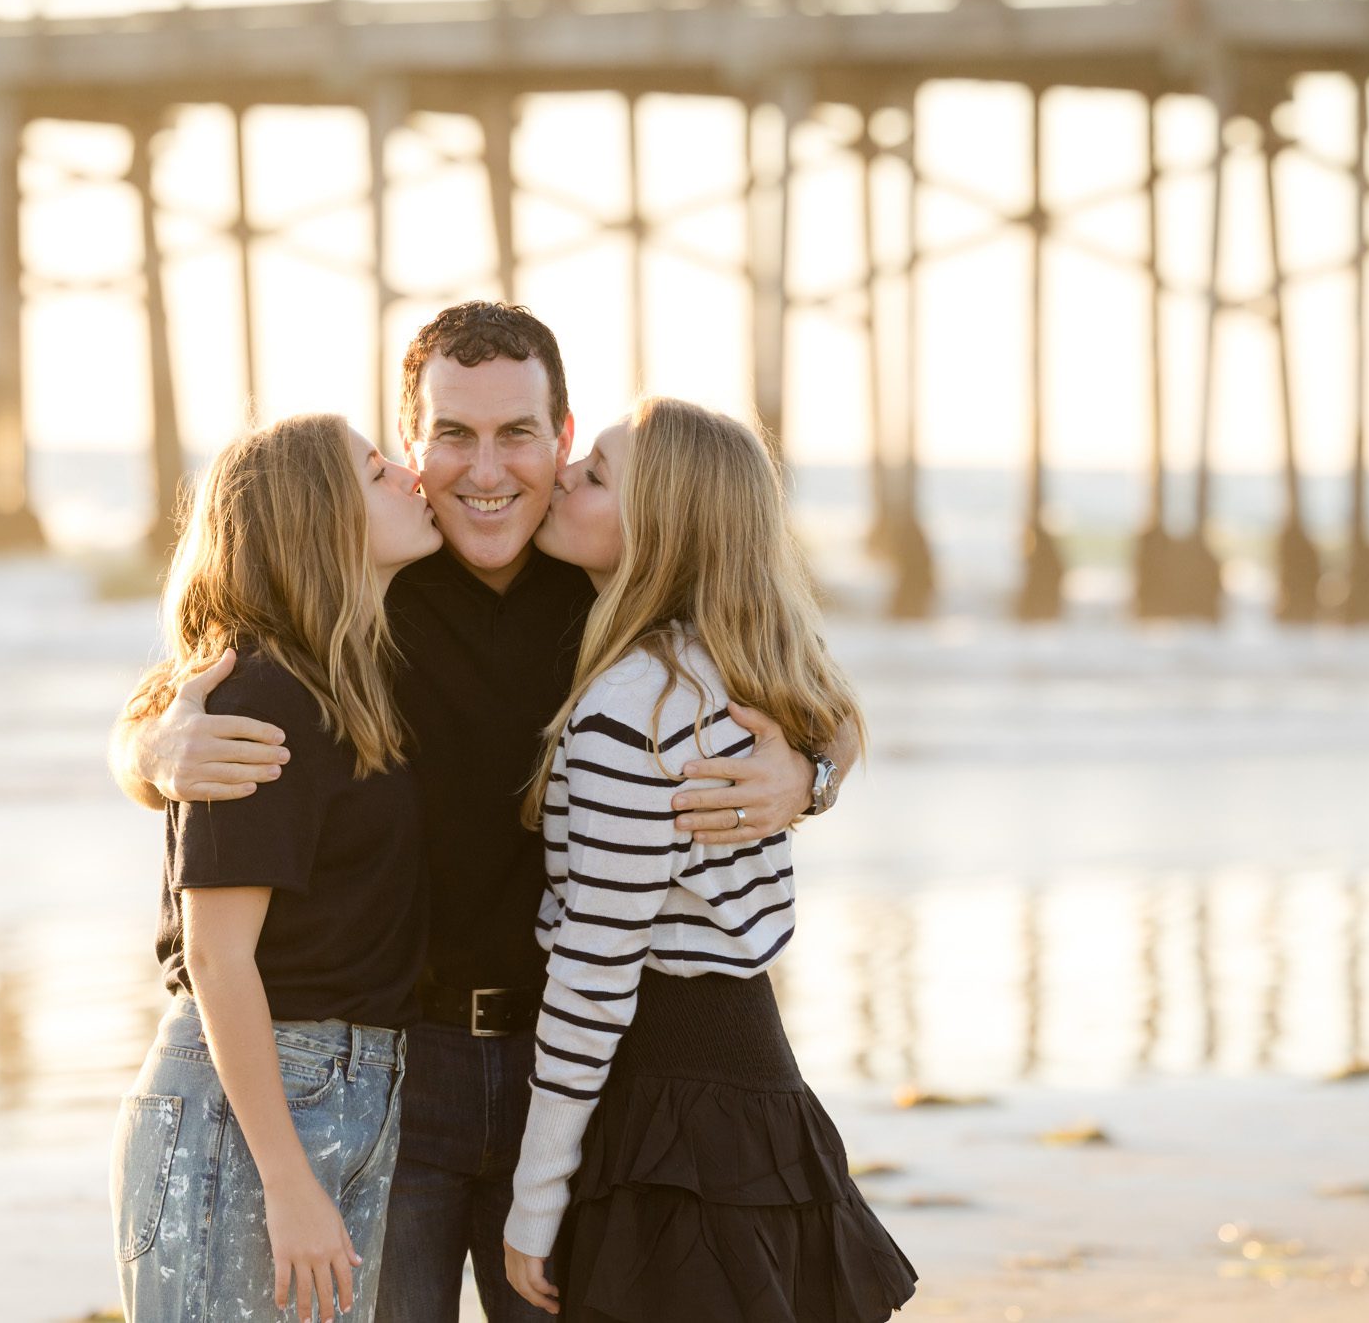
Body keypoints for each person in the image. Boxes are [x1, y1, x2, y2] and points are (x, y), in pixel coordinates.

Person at [108, 302, 861, 1322]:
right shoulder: (361, 587)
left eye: (517, 434)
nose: (486, 468)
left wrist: (808, 771)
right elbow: (205, 678)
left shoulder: (613, 575)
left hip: (582, 1067)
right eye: (451, 434)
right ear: (408, 445)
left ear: (562, 438)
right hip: (392, 1075)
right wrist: (144, 751)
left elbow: (804, 690)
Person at [502, 397, 920, 1321]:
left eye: (598, 474)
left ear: (663, 527)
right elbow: (838, 715)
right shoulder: (741, 669)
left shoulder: (632, 710)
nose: (565, 475)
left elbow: (596, 968)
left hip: (666, 1101)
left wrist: (536, 1197)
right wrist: (814, 774)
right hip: (753, 1084)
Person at [110, 413, 442, 1323]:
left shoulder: (352, 671)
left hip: (349, 1085)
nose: (412, 476)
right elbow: (219, 958)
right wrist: (288, 1179)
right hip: (251, 1105)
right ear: (320, 516)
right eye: (379, 472)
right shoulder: (260, 695)